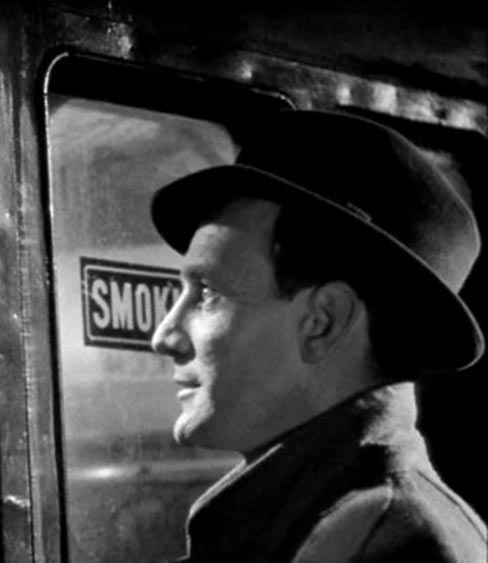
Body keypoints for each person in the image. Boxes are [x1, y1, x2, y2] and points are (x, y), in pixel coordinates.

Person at [149, 109, 487, 562]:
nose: (165, 336)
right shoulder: (334, 521)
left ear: (322, 322)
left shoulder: (388, 541)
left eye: (208, 294)